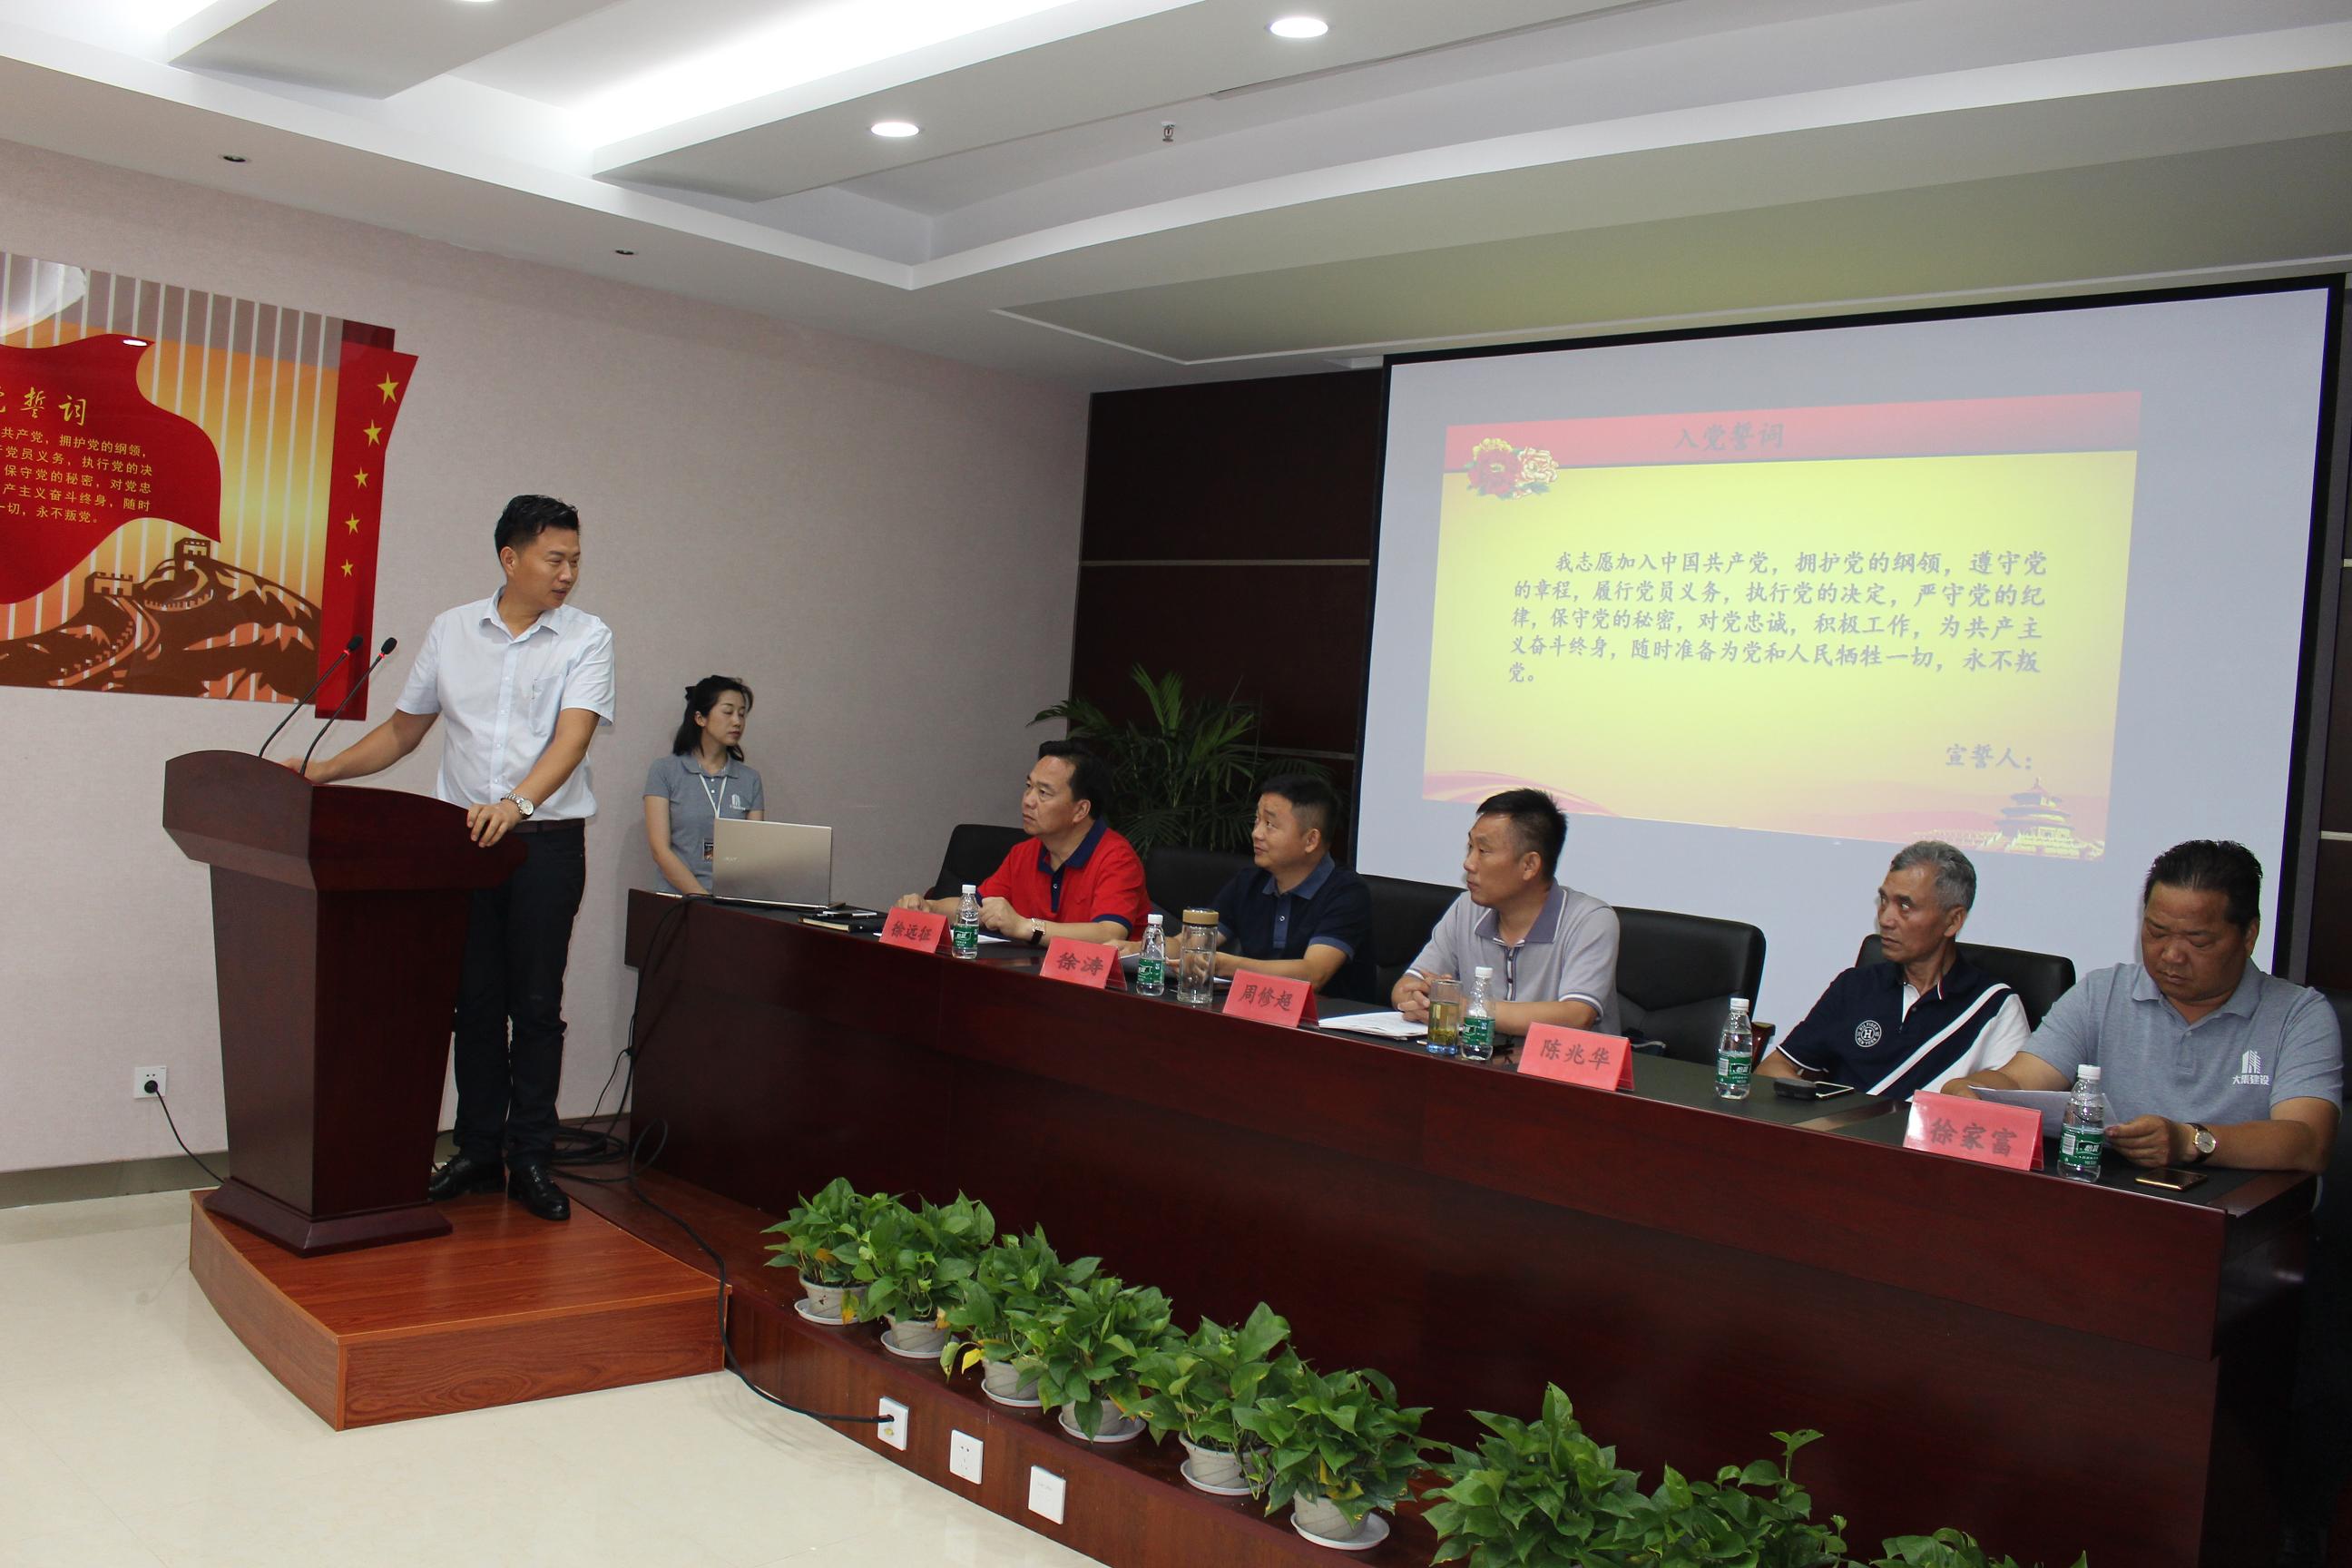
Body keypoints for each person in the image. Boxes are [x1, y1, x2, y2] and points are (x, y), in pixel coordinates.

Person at [294, 495, 614, 1221]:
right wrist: (322, 771)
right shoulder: (451, 630)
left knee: (536, 1006)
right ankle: (475, 1151)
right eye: (555, 559)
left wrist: (517, 804)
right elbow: (404, 732)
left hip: (543, 844)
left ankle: (529, 1157)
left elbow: (572, 740)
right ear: (511, 558)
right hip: (462, 843)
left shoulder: (587, 637)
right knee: (473, 1004)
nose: (567, 574)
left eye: (574, 561)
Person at [1942, 839, 2341, 1172]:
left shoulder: (2298, 1016)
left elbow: (2309, 1141)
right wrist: (1975, 1092)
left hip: (2237, 1220)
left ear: (2249, 935)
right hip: (2114, 1204)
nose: (2171, 955)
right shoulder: (2103, 993)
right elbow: (2020, 1081)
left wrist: (2190, 1141)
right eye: (2156, 932)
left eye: (2197, 941)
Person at [1755, 840, 2027, 1098]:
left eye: (1905, 906)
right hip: (1842, 1129)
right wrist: (1819, 1108)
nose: (1885, 919)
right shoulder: (1854, 986)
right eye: (1884, 900)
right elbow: (1772, 1069)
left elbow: (2012, 1106)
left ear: (1953, 921)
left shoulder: (1994, 1005)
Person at [1393, 788, 1621, 1040]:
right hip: (1479, 1058)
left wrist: (1463, 1009)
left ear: (1529, 865)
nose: (1468, 863)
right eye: (1470, 847)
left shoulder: (1590, 920)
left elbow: (1576, 1015)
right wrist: (1421, 1000)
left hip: (1562, 1064)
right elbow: (1404, 987)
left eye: (1483, 851)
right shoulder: (1467, 908)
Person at [896, 740, 1149, 945]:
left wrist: (1025, 927)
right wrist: (929, 907)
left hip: (1108, 987)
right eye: (1029, 787)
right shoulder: (1025, 853)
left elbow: (1109, 934)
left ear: (1080, 810)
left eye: (1043, 793)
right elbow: (977, 906)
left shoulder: (1116, 858)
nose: (1028, 800)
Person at [1198, 775, 1377, 1002]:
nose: (1256, 833)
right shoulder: (1249, 882)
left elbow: (1314, 974)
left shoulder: (1347, 892)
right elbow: (1193, 944)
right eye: (1257, 820)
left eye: (1270, 825)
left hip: (1328, 1020)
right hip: (1257, 1011)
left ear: (1311, 840)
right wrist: (1156, 945)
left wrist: (1226, 965)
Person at [644, 675, 764, 895]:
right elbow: (660, 850)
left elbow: (752, 853)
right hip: (677, 900)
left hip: (732, 901)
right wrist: (703, 899)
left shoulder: (750, 779)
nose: (737, 721)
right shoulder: (664, 771)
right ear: (700, 718)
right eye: (728, 712)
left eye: (741, 714)